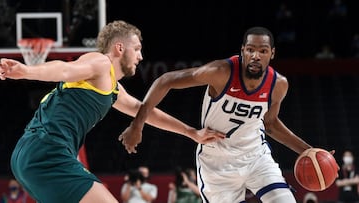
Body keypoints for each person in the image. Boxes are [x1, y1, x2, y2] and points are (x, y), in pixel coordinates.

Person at [0, 20, 224, 203]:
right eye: (137, 49)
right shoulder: (100, 62)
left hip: (32, 153)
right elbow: (65, 69)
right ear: (119, 48)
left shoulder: (113, 89)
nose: (140, 57)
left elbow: (144, 111)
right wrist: (27, 71)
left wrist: (191, 132)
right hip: (46, 151)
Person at [119, 26, 333, 203]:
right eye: (250, 50)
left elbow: (271, 124)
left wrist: (311, 151)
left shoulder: (278, 85)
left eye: (263, 51)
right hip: (216, 162)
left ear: (272, 53)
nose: (255, 56)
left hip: (255, 157)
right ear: (242, 50)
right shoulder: (221, 72)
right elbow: (165, 81)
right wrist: (138, 124)